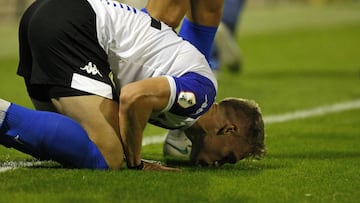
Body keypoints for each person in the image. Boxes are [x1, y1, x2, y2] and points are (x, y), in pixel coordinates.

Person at [1, 0, 265, 170]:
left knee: (78, 140)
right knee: (109, 155)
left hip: (52, 13)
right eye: (229, 157)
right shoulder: (201, 96)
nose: (220, 164)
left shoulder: (191, 97)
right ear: (228, 129)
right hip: (74, 28)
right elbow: (132, 96)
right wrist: (137, 163)